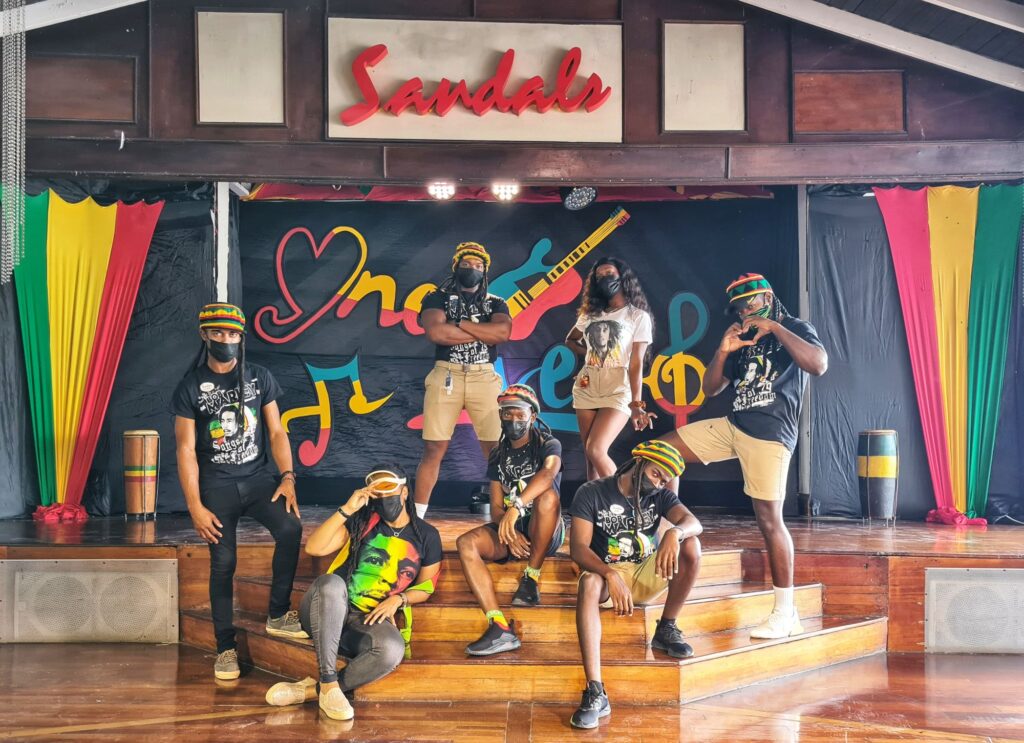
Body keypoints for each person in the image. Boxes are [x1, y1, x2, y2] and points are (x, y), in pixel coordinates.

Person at [655, 273, 827, 640]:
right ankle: (669, 528)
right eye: (739, 307)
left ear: (767, 296)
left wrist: (775, 328)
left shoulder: (795, 327)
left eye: (750, 303)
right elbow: (711, 388)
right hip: (734, 424)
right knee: (662, 452)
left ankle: (786, 612)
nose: (744, 311)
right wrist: (723, 349)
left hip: (770, 433)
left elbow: (818, 364)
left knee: (769, 519)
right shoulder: (742, 337)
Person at [172, 303, 305, 681]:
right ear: (205, 335)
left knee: (291, 528)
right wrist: (195, 506)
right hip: (217, 486)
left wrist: (288, 476)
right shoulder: (191, 386)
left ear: (241, 337)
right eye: (218, 333)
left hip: (259, 479)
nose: (225, 340)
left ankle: (279, 613)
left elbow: (277, 432)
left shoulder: (259, 378)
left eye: (232, 334)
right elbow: (184, 450)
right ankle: (225, 647)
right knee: (224, 564)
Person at [265, 464, 442, 721]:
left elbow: (426, 587)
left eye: (388, 490)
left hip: (366, 621)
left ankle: (313, 691)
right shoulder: (362, 522)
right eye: (376, 493)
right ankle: (327, 679)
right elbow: (315, 548)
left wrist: (399, 599)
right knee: (331, 583)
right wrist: (347, 510)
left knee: (392, 649)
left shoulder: (427, 535)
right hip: (328, 609)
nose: (382, 499)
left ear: (404, 492)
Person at [568, 440, 702, 730]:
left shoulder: (661, 497)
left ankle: (666, 627)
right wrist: (610, 574)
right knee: (589, 582)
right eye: (656, 474)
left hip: (644, 571)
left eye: (665, 479)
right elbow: (578, 549)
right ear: (639, 462)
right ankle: (595, 691)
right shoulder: (592, 492)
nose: (658, 483)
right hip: (606, 576)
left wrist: (674, 533)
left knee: (692, 546)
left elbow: (694, 522)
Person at [455, 384, 564, 656]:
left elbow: (548, 475)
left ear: (533, 416)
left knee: (547, 497)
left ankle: (531, 577)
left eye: (519, 414)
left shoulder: (548, 444)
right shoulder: (497, 453)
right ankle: (499, 626)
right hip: (511, 529)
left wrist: (516, 506)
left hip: (545, 527)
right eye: (507, 414)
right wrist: (510, 530)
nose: (513, 420)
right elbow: (494, 505)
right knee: (465, 542)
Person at [415, 242, 512, 517]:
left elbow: (502, 333)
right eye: (467, 264)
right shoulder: (436, 297)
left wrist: (459, 325)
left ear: (485, 272)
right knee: (434, 447)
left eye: (479, 266)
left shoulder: (496, 302)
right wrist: (484, 331)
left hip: (483, 374)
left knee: (496, 450)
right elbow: (437, 333)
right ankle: (417, 518)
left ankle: (503, 517)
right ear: (456, 267)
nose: (473, 269)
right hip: (447, 373)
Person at [566, 258, 657, 481]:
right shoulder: (589, 315)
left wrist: (637, 404)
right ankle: (597, 511)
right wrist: (590, 357)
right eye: (599, 276)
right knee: (590, 456)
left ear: (622, 277)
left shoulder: (637, 316)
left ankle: (624, 502)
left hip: (618, 385)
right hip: (588, 384)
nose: (605, 279)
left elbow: (636, 363)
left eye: (610, 273)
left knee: (596, 449)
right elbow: (570, 339)